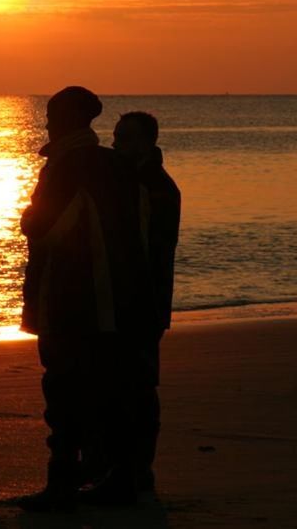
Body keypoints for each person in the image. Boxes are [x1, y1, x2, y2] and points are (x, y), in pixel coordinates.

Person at [18, 87, 146, 512]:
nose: (47, 121)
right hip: (111, 300)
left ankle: (65, 482)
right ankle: (116, 475)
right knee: (104, 389)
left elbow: (45, 227)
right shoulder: (112, 163)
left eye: (52, 115)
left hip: (70, 297)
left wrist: (29, 218)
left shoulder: (66, 167)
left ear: (67, 119)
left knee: (63, 390)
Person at [98, 110, 181, 498]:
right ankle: (123, 470)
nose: (116, 144)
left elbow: (148, 251)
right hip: (130, 300)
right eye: (115, 137)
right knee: (120, 387)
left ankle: (134, 472)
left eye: (125, 138)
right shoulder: (132, 182)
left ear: (148, 142)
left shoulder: (156, 188)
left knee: (138, 389)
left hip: (143, 302)